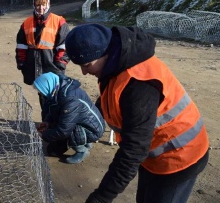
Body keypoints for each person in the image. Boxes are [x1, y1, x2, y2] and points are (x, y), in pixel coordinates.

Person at [64, 23, 209, 203]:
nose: (84, 72)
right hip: (153, 155)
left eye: (86, 65)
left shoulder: (139, 84)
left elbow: (133, 151)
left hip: (179, 157)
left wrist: (101, 198)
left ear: (104, 53)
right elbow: (107, 103)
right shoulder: (114, 66)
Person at [15, 0, 70, 114]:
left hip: (52, 64)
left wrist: (60, 63)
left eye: (43, 5)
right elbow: (21, 45)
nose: (41, 8)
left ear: (48, 4)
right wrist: (22, 62)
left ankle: (58, 123)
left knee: (57, 94)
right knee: (42, 94)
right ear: (34, 6)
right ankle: (46, 121)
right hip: (35, 64)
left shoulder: (59, 21)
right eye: (38, 5)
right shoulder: (27, 23)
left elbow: (64, 45)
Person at [33, 72, 105, 164]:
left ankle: (82, 150)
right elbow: (54, 110)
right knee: (52, 151)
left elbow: (64, 130)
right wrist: (47, 122)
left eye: (40, 90)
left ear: (48, 86)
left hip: (92, 128)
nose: (39, 92)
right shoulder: (56, 92)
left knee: (68, 129)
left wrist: (43, 135)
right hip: (83, 123)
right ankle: (84, 142)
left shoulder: (70, 99)